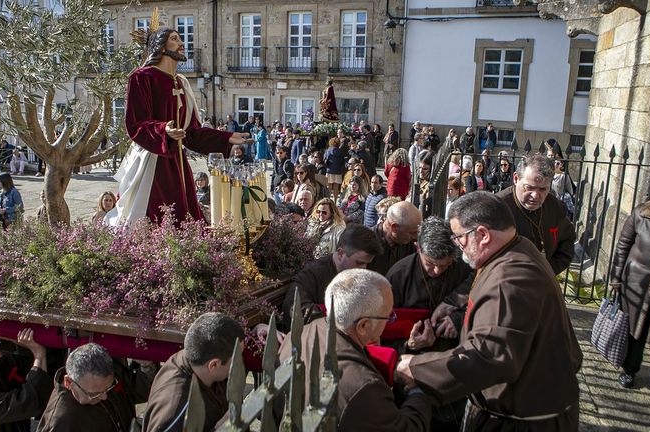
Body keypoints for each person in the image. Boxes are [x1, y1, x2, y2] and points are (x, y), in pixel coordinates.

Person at [396, 191, 582, 431]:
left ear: (482, 235)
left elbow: (489, 356)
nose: (458, 245)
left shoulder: (509, 279)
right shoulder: (516, 248)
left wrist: (417, 368)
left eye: (459, 238)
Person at [111, 27, 250, 226]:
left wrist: (226, 137)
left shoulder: (181, 83)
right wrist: (163, 131)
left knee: (186, 217)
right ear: (160, 46)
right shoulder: (142, 77)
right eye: (174, 39)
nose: (182, 44)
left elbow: (191, 133)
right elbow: (136, 124)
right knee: (156, 217)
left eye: (180, 39)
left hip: (177, 161)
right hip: (153, 160)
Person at [278, 269, 431, 430]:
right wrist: (417, 392)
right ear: (363, 326)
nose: (390, 321)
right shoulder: (364, 387)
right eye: (389, 316)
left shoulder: (299, 334)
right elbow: (407, 428)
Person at [612, 169, 650, 397]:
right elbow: (623, 247)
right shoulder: (642, 213)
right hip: (638, 283)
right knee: (635, 331)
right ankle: (629, 369)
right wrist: (616, 279)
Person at [142, 312, 244, 432]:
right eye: (238, 357)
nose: (240, 362)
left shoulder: (196, 359)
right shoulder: (176, 409)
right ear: (214, 364)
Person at [386, 217, 472, 348]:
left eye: (445, 265)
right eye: (430, 263)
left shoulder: (463, 268)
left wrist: (458, 318)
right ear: (418, 248)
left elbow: (479, 299)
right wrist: (407, 345)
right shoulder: (398, 276)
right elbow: (382, 332)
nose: (437, 271)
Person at [37, 343, 154, 431]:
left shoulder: (104, 373)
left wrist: (146, 367)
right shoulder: (61, 422)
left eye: (108, 388)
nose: (104, 397)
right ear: (68, 382)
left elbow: (138, 391)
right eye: (93, 394)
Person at [282, 224, 382, 326]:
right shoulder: (313, 273)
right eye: (359, 263)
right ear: (340, 254)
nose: (364, 269)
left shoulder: (360, 271)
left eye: (366, 263)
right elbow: (294, 308)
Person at [498, 154, 576, 274]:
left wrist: (550, 269)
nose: (535, 195)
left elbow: (568, 239)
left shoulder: (554, 207)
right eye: (529, 187)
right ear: (516, 179)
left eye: (542, 189)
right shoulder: (496, 207)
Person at [369, 201, 422, 276]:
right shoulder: (367, 243)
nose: (416, 237)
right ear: (394, 228)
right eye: (412, 232)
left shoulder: (410, 245)